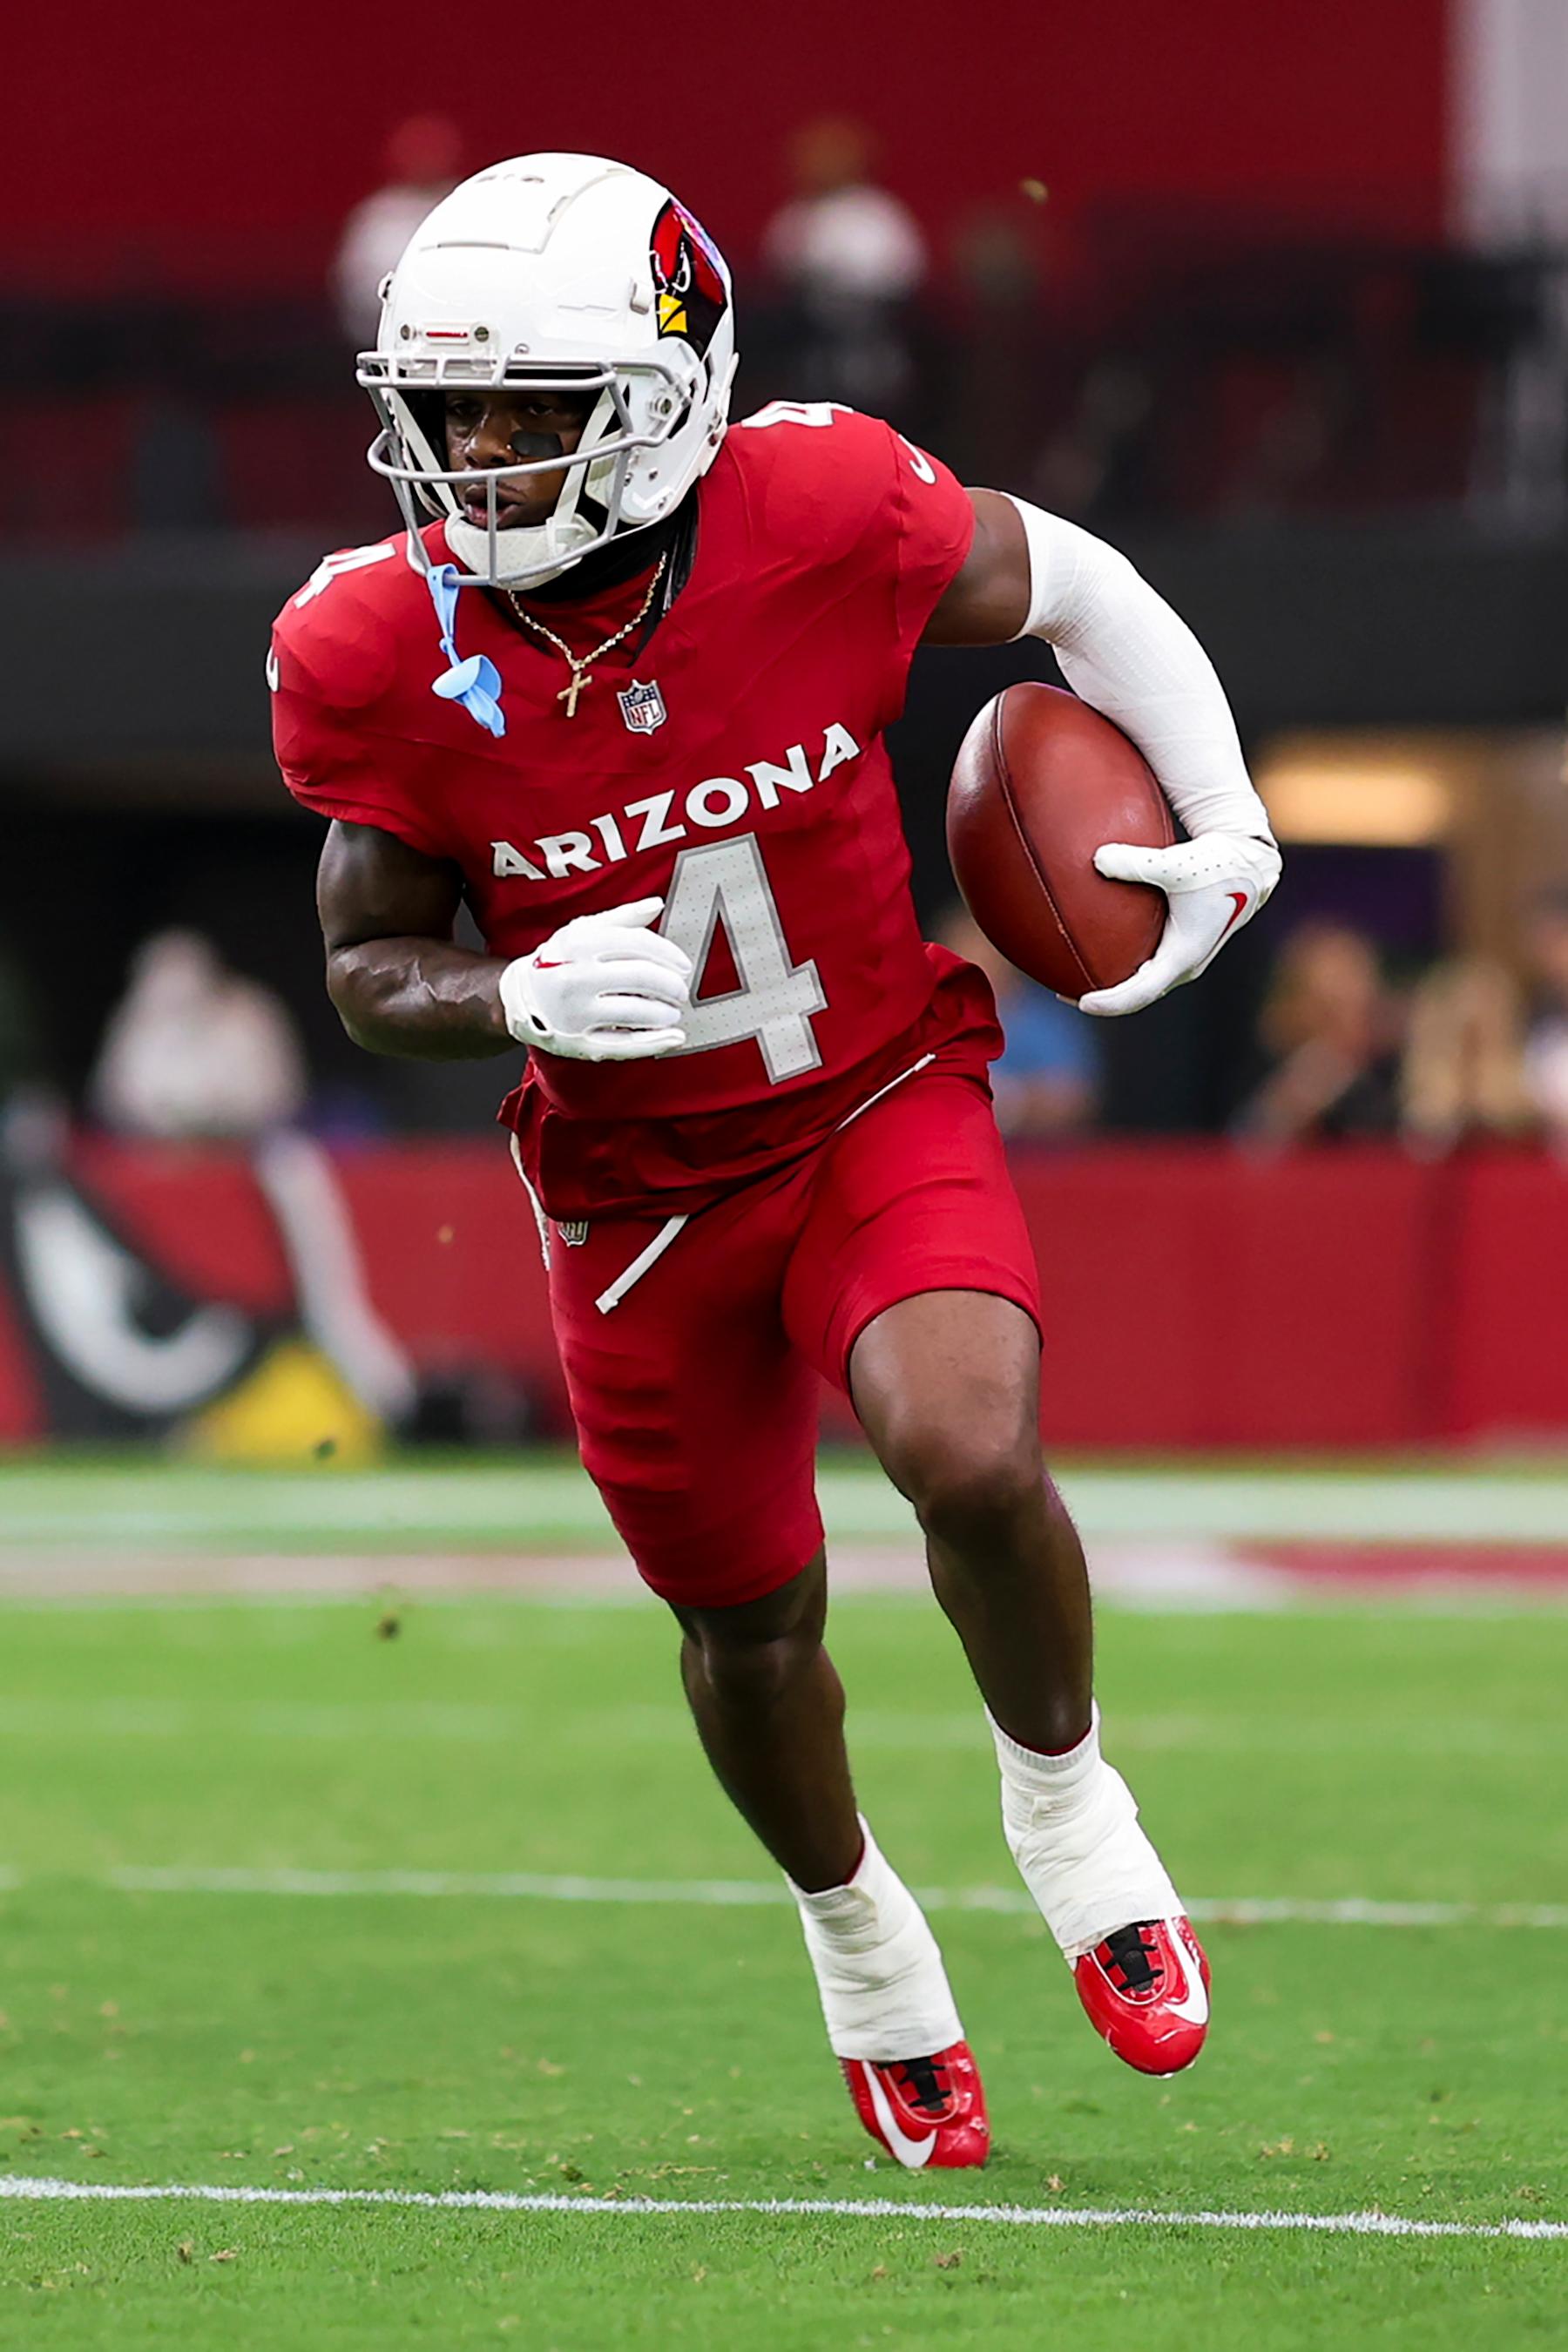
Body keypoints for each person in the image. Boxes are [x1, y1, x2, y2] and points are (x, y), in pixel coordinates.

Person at [270, 154, 1281, 2170]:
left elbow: (1075, 580)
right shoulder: (377, 644)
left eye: (524, 407)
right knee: (749, 1619)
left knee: (970, 1450)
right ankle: (862, 1939)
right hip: (632, 1197)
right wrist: (515, 996)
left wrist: (1227, 806)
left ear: (663, 393)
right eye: (448, 408)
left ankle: (1067, 1800)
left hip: (864, 1094)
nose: (472, 454)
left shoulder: (819, 506)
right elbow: (368, 957)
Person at [936, 905, 1098, 1137]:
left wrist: (1015, 1102)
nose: (977, 969)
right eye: (963, 958)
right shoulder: (927, 1023)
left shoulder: (1044, 1022)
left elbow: (1075, 1098)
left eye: (986, 958)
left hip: (1036, 1161)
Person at [1233, 922, 1400, 1147]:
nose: (1348, 1022)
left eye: (1357, 1004)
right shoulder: (1260, 1074)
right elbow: (1246, 1155)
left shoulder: (1399, 1074)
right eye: (1329, 1011)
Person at [332, 115, 464, 348]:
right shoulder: (377, 216)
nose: (426, 161)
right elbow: (357, 289)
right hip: (383, 337)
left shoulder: (466, 205)